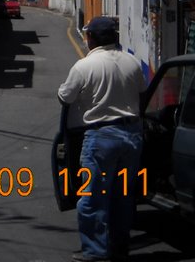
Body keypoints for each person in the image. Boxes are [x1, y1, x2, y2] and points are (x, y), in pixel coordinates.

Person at [57, 16, 146, 262]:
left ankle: (95, 252)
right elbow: (142, 90)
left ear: (91, 39)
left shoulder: (84, 66)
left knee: (93, 197)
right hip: (132, 136)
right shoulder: (132, 62)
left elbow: (65, 97)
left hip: (100, 137)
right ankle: (120, 247)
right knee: (123, 196)